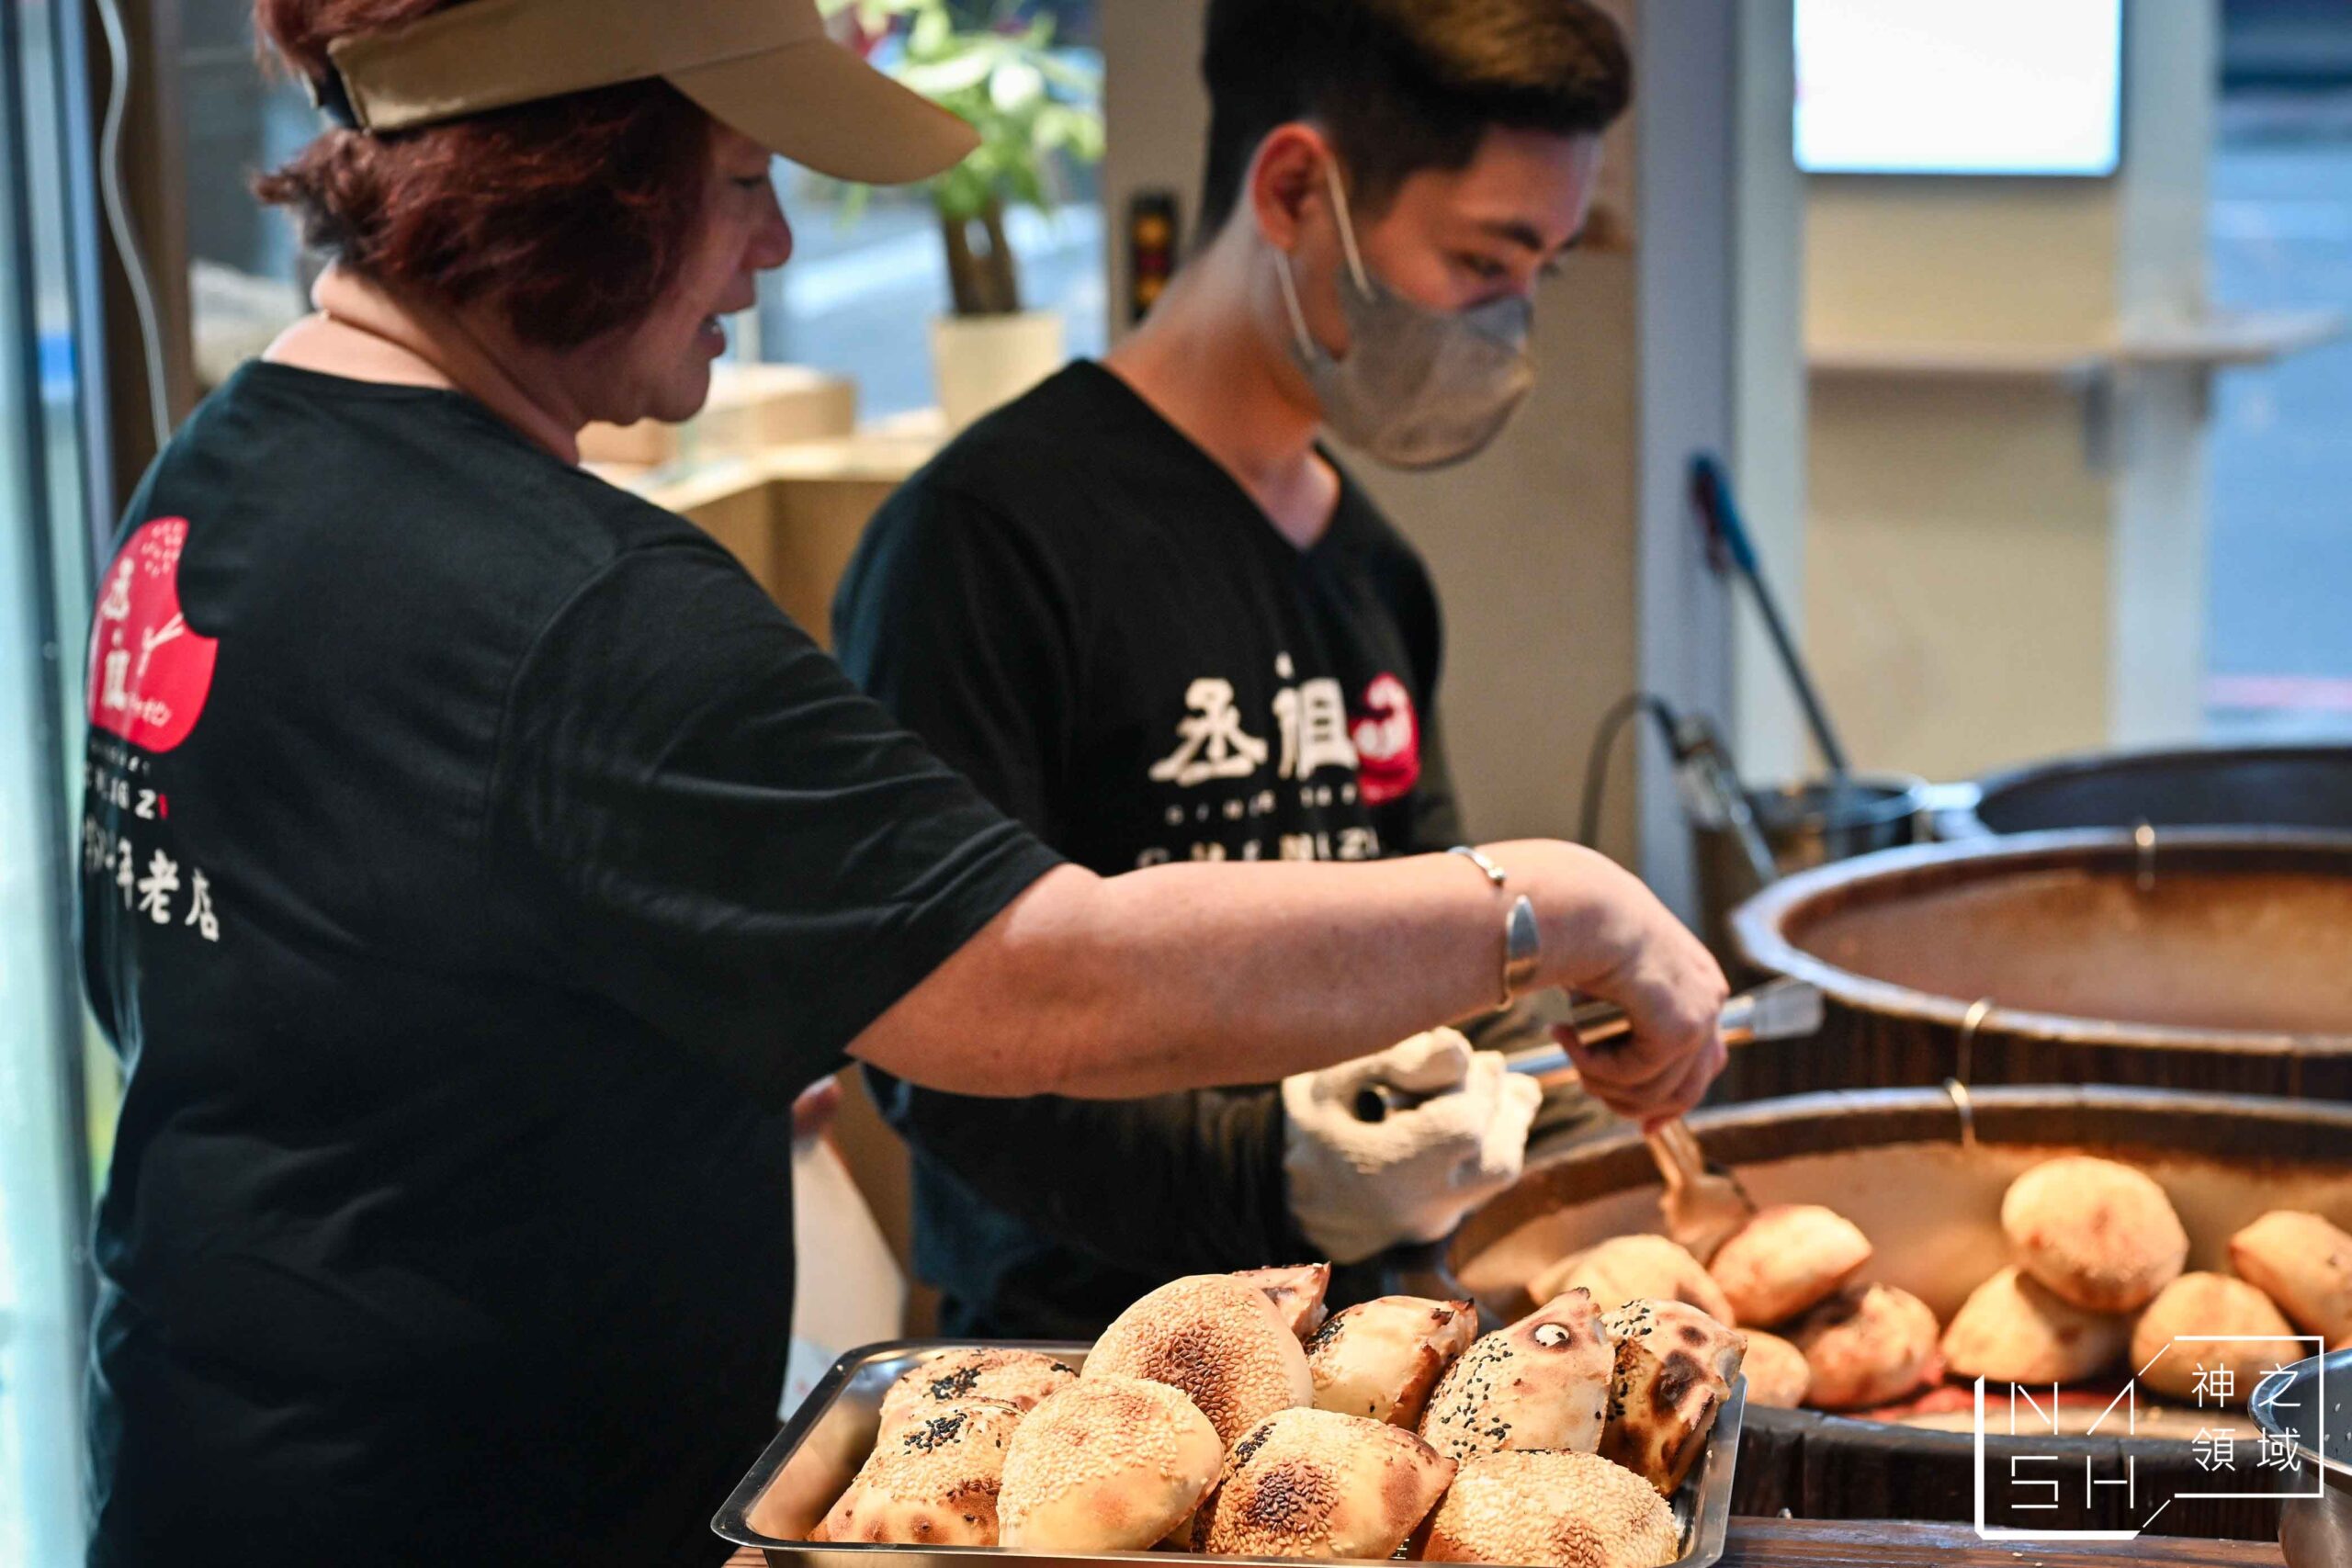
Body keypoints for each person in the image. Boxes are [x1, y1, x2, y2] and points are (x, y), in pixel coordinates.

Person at [74, 0, 1725, 1562]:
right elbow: (1040, 987)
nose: (777, 244)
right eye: (738, 182)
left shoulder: (216, 481)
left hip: (215, 1463)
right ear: (578, 174)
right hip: (465, 1516)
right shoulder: (586, 610)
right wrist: (1553, 904)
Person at [833, 0, 1650, 1339]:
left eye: (1541, 275)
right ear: (1293, 190)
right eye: (1483, 261)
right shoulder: (985, 541)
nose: (1508, 330)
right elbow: (937, 1044)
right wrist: (1271, 1180)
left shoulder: (1374, 569)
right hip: (1071, 1390)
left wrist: (1512, 1091)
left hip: (1364, 1368)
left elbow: (1436, 940)